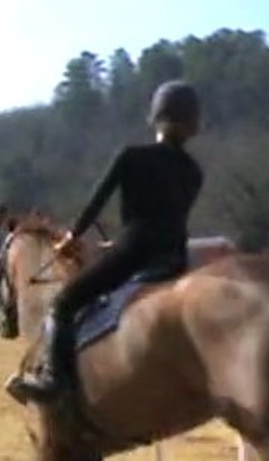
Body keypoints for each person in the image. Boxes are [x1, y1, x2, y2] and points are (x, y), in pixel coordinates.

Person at [12, 80, 205, 404]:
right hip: (174, 258)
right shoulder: (194, 172)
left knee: (63, 304)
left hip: (134, 254)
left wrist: (70, 238)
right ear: (193, 124)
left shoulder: (131, 157)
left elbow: (96, 203)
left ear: (155, 117)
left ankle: (53, 382)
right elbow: (167, 220)